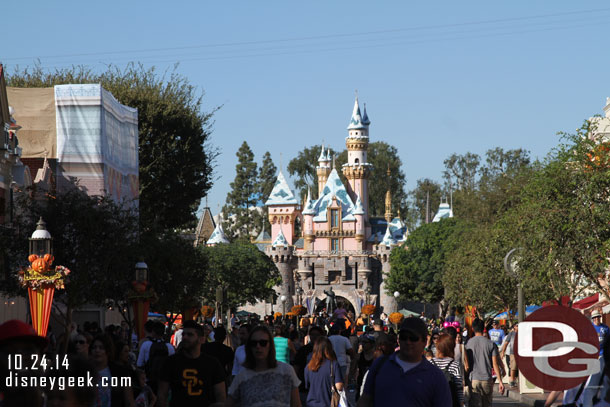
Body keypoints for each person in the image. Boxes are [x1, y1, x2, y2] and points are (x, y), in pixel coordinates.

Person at [357, 317, 452, 406]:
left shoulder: (435, 376)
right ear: (398, 339)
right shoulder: (380, 365)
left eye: (413, 338)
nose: (408, 341)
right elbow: (365, 400)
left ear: (424, 341)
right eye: (404, 337)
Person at [227, 325, 301, 406]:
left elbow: (296, 404)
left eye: (263, 343)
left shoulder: (287, 371)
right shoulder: (242, 376)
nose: (258, 346)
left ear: (270, 345)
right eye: (254, 343)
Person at [157, 320, 226, 407]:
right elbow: (162, 395)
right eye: (183, 334)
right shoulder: (170, 362)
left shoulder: (212, 363)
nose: (185, 337)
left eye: (190, 335)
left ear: (201, 339)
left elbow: (221, 396)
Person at [466, 318, 505, 407]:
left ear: (472, 328)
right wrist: (500, 381)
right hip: (487, 379)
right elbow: (495, 364)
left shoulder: (468, 343)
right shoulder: (490, 344)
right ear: (483, 327)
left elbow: (466, 364)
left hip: (473, 380)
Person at [90, 335, 135, 407]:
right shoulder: (85, 371)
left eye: (101, 348)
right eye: (94, 347)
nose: (97, 350)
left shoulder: (120, 372)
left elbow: (129, 400)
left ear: (108, 351)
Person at [304, 337, 344, 407]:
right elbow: (339, 386)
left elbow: (307, 385)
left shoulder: (308, 366)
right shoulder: (333, 364)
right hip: (327, 403)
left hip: (311, 403)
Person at [431, 333, 464, 407]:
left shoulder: (431, 363)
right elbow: (459, 387)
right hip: (450, 401)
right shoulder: (454, 364)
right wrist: (461, 402)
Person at [499, 323, 518, 388]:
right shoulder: (511, 334)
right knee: (513, 367)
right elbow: (505, 343)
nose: (518, 327)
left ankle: (518, 381)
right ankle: (512, 380)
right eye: (517, 326)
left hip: (521, 353)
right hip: (513, 353)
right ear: (514, 327)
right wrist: (503, 352)